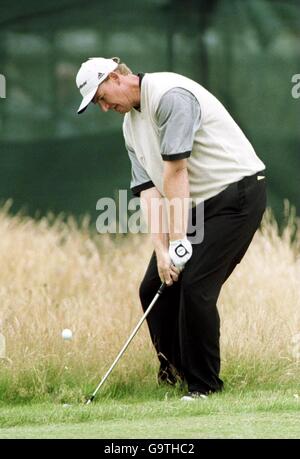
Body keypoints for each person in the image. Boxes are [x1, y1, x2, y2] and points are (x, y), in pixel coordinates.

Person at [75, 57, 266, 400]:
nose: (104, 107)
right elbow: (149, 192)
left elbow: (177, 173)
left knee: (195, 286)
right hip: (196, 204)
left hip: (236, 195)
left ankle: (204, 386)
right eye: (97, 104)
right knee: (153, 287)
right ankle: (174, 378)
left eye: (102, 97)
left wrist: (179, 242)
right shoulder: (129, 126)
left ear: (118, 76)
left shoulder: (169, 96)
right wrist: (163, 251)